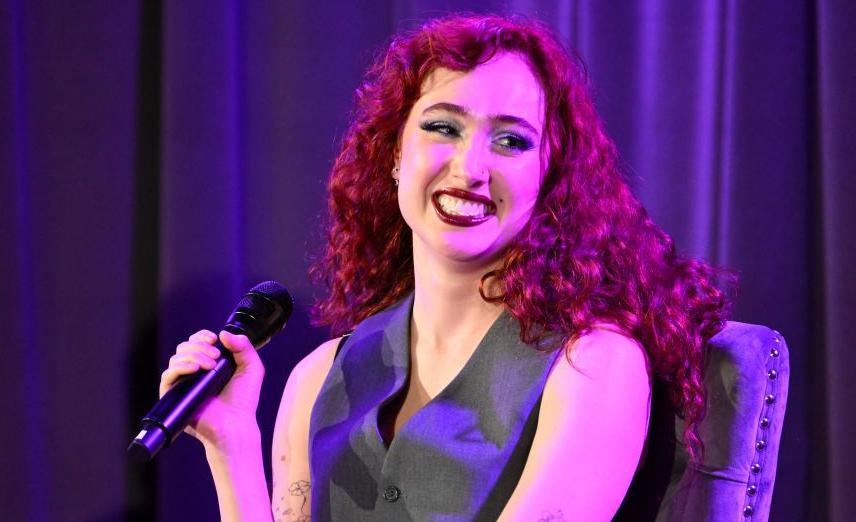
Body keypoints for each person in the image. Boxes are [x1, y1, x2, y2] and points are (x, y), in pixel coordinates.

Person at [159, 14, 730, 521]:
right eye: (442, 127)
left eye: (510, 141)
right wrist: (230, 443)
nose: (470, 167)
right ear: (393, 156)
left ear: (548, 180)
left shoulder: (592, 365)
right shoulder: (317, 377)